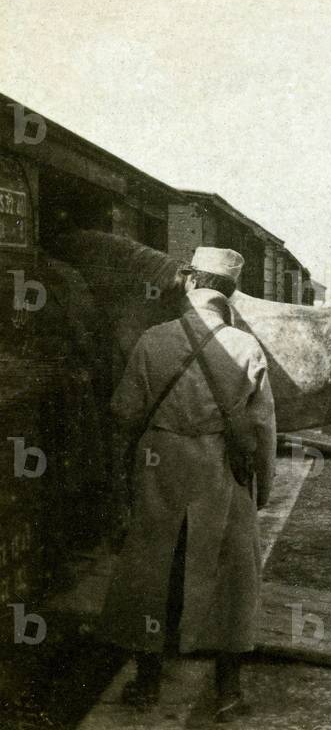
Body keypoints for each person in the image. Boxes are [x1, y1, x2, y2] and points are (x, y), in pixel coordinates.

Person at [99, 247, 277, 722]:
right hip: (220, 471)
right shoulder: (246, 347)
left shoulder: (151, 340)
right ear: (231, 291)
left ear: (190, 282)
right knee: (232, 572)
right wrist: (262, 488)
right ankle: (228, 690)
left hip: (160, 467)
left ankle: (146, 681)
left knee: (150, 567)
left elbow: (123, 413)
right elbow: (263, 431)